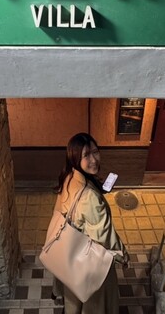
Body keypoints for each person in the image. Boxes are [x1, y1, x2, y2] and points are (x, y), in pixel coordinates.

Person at [52, 132, 129, 314]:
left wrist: (97, 190)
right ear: (75, 158)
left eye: (95, 152)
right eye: (86, 155)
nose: (94, 159)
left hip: (69, 249)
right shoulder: (89, 197)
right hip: (88, 256)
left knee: (75, 295)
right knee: (96, 298)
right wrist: (122, 255)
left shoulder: (69, 177)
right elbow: (104, 236)